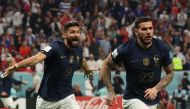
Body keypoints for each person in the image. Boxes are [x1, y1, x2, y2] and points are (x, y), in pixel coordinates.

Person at [2, 21, 93, 109]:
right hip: (46, 99)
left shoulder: (78, 50)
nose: (76, 34)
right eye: (72, 32)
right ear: (64, 35)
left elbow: (82, 59)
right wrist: (16, 66)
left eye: (78, 32)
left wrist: (87, 69)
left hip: (67, 97)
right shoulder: (55, 47)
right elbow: (36, 59)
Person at [101, 17, 174, 109]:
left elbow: (170, 73)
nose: (148, 32)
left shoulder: (162, 47)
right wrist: (110, 91)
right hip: (132, 99)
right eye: (144, 29)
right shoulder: (126, 49)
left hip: (152, 100)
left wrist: (156, 89)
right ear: (136, 32)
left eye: (150, 28)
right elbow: (106, 64)